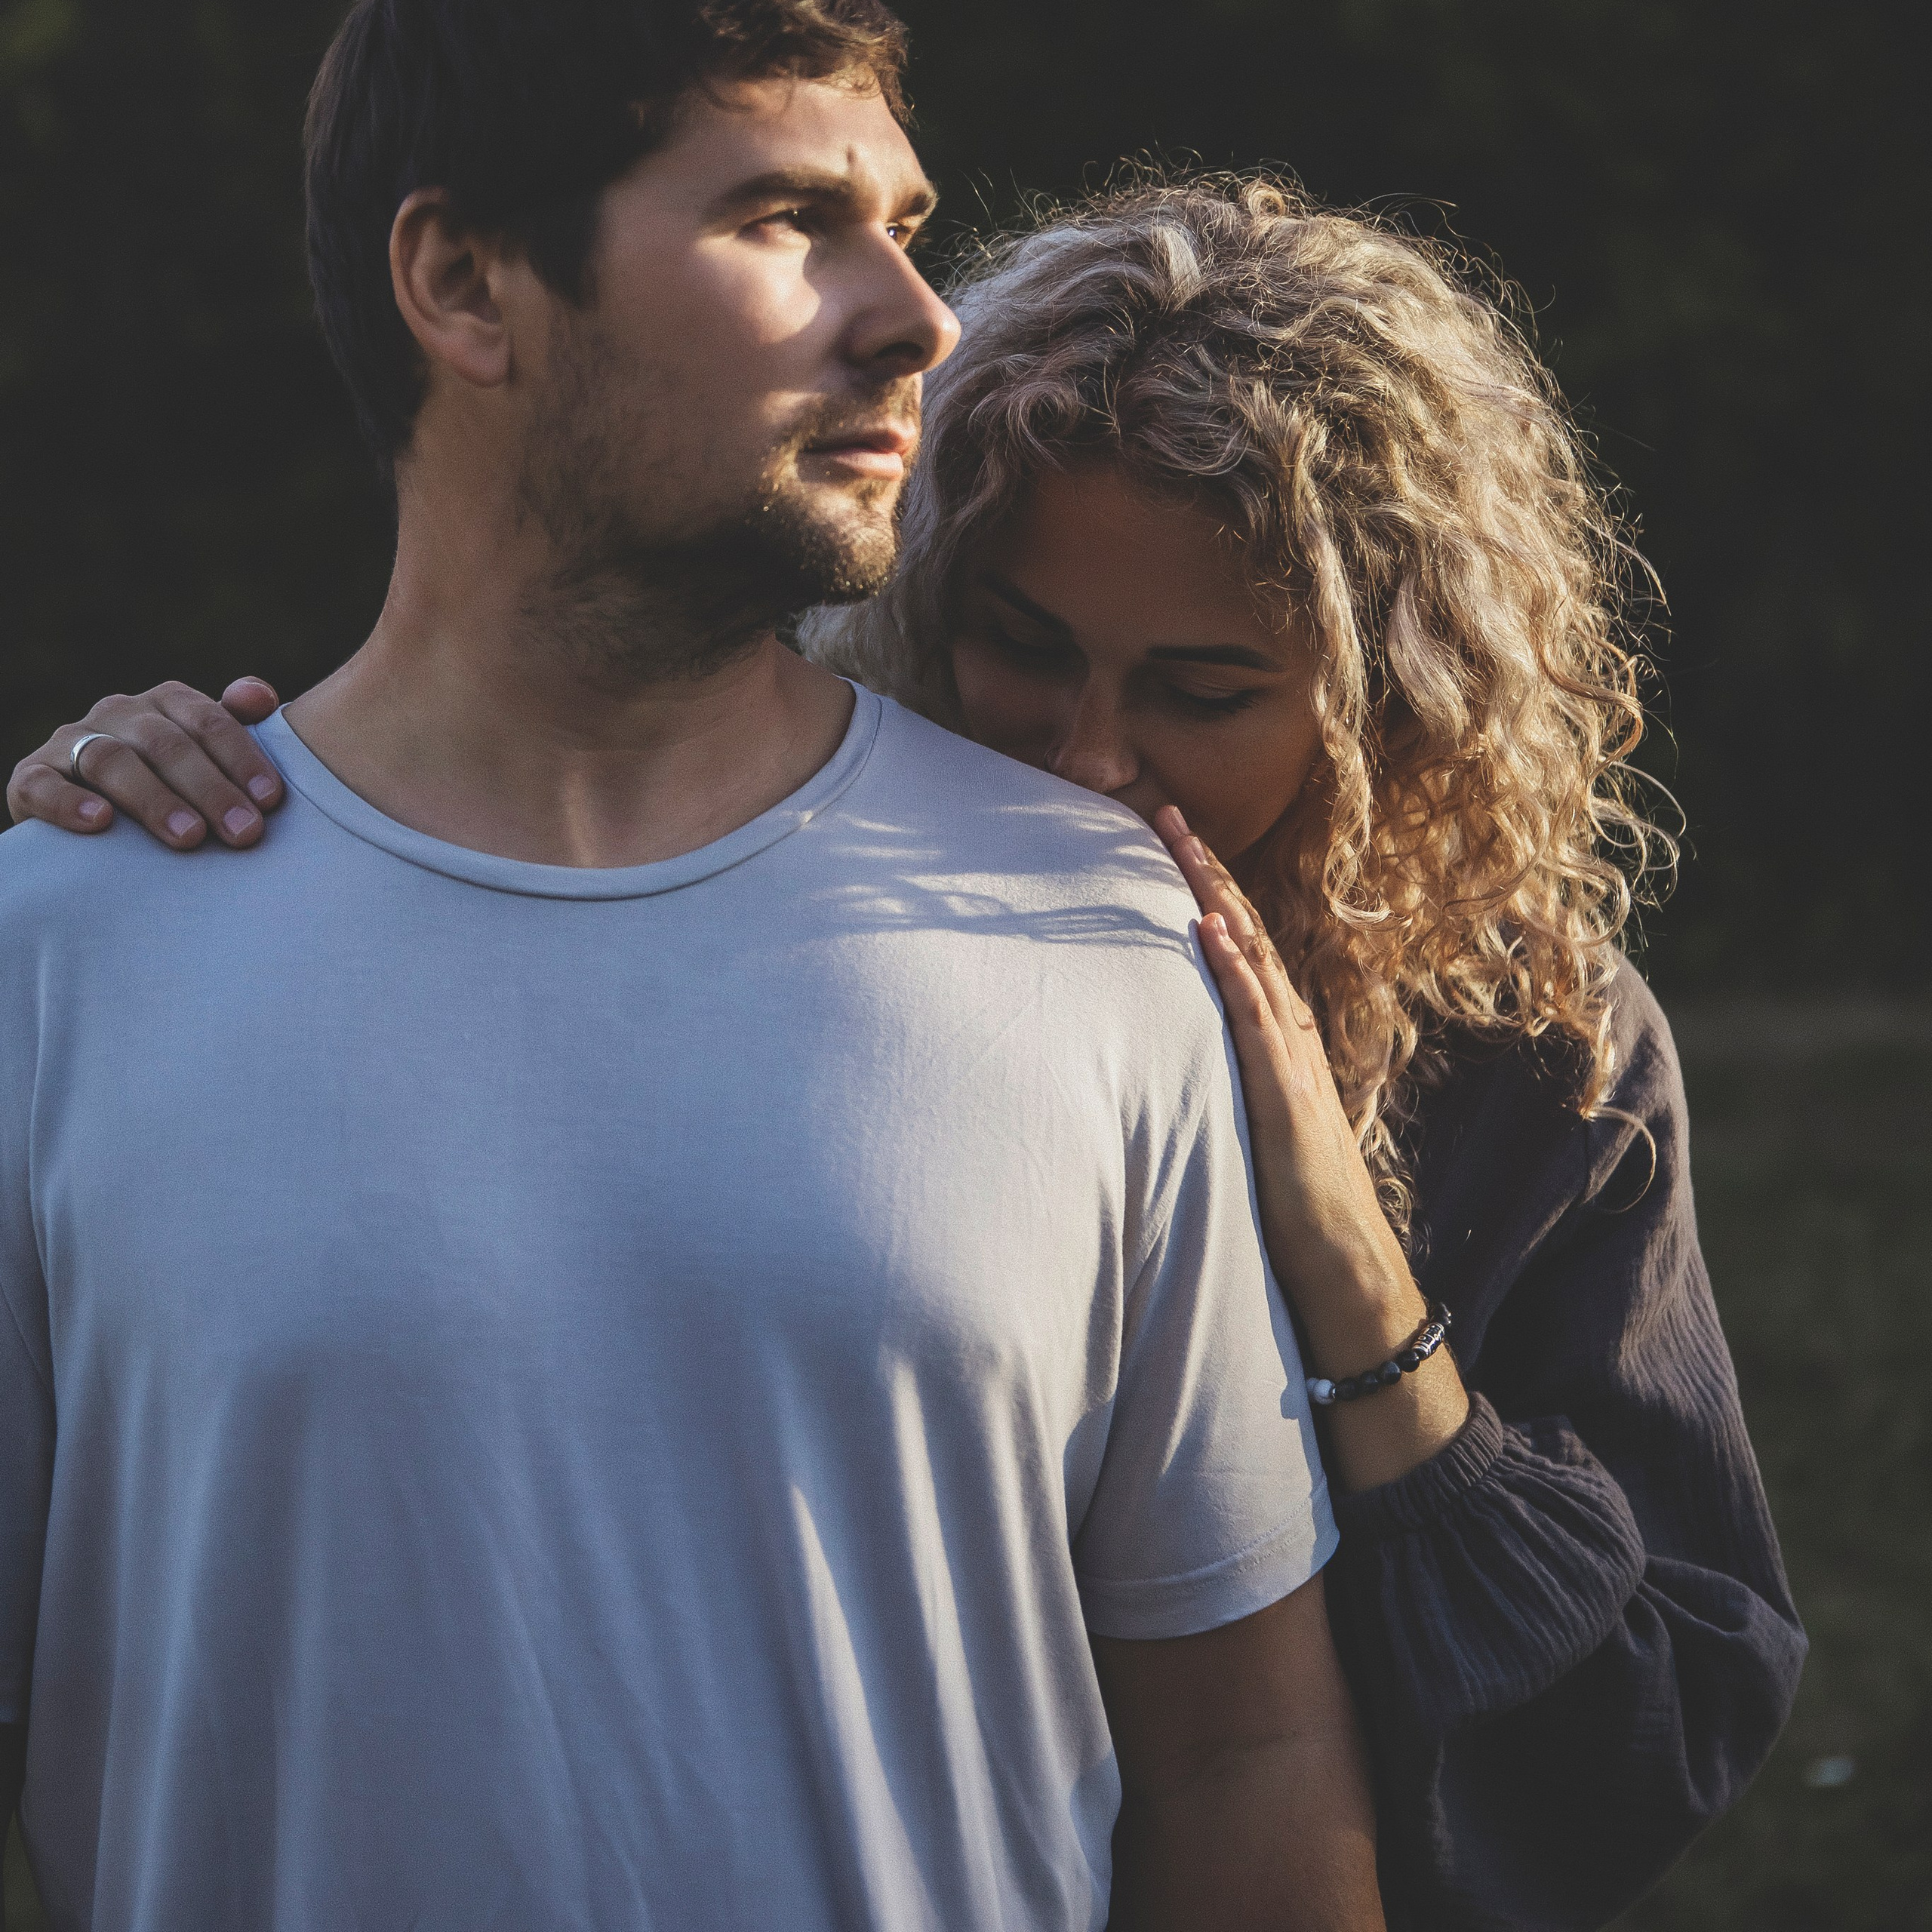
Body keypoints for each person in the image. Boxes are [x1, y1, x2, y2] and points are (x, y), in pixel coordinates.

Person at [22, 170, 1810, 1927]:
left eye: (1199, 692)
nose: (1087, 758)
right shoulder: (799, 920)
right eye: (1020, 648)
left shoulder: (1532, 1050)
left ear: (1388, 704)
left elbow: (1651, 1734)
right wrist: (195, 836)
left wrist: (1346, 1269)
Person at [0, 0, 1386, 1932]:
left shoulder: (1089, 929)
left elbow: (1245, 1753)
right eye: (779, 220)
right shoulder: (67, 948)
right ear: (464, 287)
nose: (916, 314)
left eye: (903, 226)